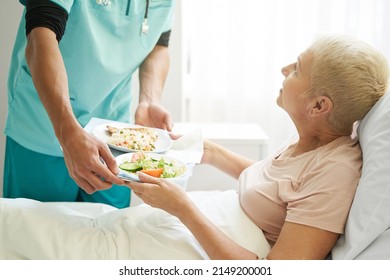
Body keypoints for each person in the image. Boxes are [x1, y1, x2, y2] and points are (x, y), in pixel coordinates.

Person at [128, 35, 389, 259]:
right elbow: (275, 188)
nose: (284, 70)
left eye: (297, 69)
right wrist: (207, 151)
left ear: (318, 106)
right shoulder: (311, 141)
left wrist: (182, 208)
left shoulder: (334, 172)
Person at [3, 0, 175, 208]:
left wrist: (149, 100)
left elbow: (159, 45)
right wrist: (66, 131)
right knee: (36, 232)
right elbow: (40, 36)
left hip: (113, 138)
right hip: (44, 125)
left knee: (111, 233)